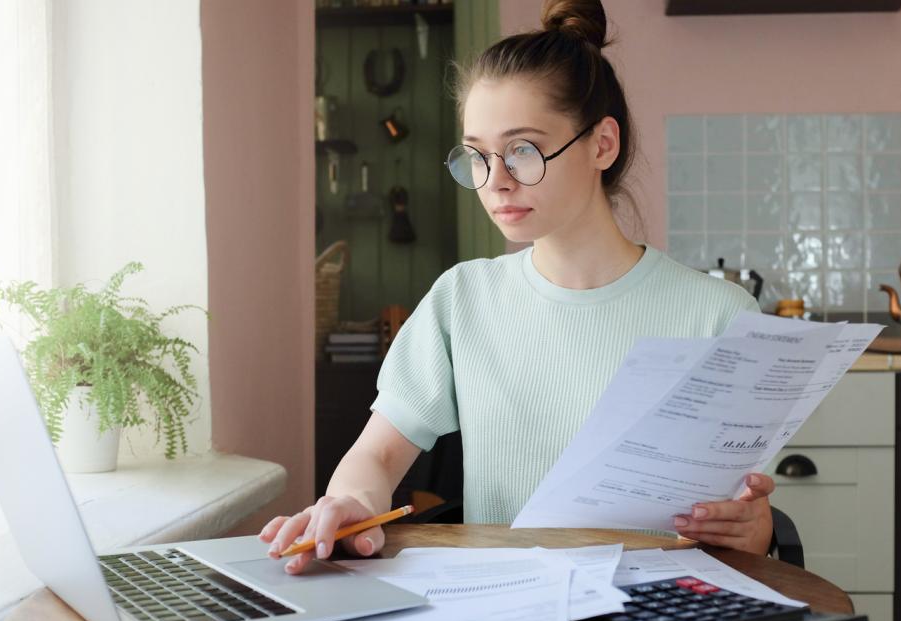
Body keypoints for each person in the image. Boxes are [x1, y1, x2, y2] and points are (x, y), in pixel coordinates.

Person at [262, 0, 774, 574]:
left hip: (663, 606)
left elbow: (746, 524)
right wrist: (351, 502)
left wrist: (753, 528)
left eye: (523, 150)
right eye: (477, 156)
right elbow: (378, 455)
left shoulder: (719, 315)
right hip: (506, 604)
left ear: (602, 144)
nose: (496, 182)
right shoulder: (463, 301)